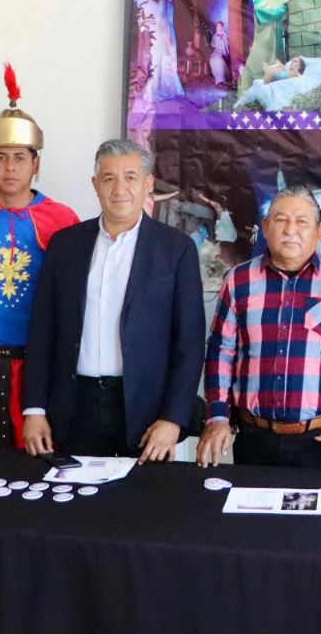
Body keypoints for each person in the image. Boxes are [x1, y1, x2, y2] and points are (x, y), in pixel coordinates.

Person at [22, 138, 204, 460]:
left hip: (146, 412)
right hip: (75, 408)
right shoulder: (65, 245)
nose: (120, 189)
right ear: (95, 185)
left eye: (130, 177)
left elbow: (189, 342)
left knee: (144, 493)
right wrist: (34, 409)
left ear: (148, 183)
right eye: (109, 178)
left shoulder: (176, 249)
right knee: (75, 492)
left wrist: (172, 418)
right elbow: (41, 331)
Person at [0, 64, 78, 463]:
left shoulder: (62, 220)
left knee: (40, 470)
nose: (10, 168)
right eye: (0, 158)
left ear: (35, 163)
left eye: (19, 158)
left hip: (39, 368)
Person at [198, 186, 321, 469]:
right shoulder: (238, 280)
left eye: (301, 221)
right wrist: (218, 416)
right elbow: (221, 351)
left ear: (319, 231)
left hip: (320, 440)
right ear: (266, 227)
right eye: (280, 220)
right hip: (253, 438)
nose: (290, 230)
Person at [238, 0, 289, 98]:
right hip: (253, 41)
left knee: (266, 78)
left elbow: (278, 14)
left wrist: (257, 10)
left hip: (270, 43)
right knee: (247, 80)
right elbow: (245, 11)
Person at [235, 56, 321, 112]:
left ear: (300, 66)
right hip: (280, 83)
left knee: (267, 88)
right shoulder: (286, 73)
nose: (291, 62)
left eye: (295, 61)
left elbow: (294, 80)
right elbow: (280, 79)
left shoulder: (301, 77)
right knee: (263, 84)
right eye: (292, 61)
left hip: (288, 87)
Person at [209, 21, 229, 86]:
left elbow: (227, 45)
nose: (218, 27)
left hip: (223, 52)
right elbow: (213, 46)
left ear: (222, 27)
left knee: (219, 61)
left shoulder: (226, 36)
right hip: (216, 52)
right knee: (212, 60)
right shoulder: (214, 36)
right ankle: (218, 80)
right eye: (217, 26)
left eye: (220, 26)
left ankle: (222, 79)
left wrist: (222, 39)